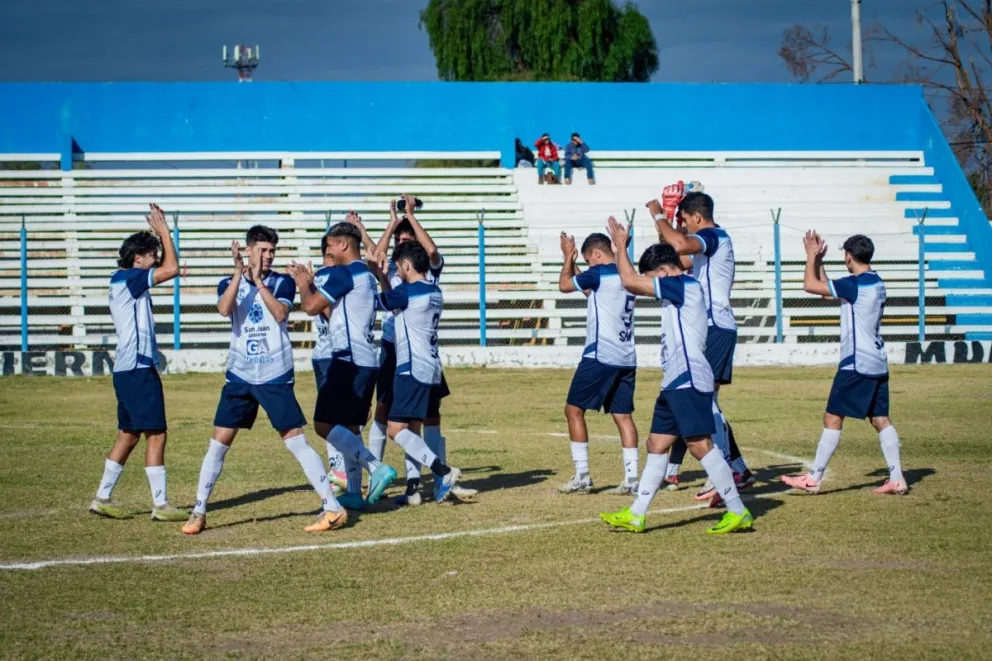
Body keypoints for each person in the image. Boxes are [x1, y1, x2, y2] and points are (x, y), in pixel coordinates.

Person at [182, 226, 345, 535]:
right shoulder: (228, 282)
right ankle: (199, 510)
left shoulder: (281, 281)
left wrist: (257, 281)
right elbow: (223, 309)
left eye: (272, 250)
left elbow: (281, 313)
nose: (268, 256)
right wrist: (238, 274)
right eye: (263, 250)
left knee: (295, 441)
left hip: (273, 374)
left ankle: (332, 507)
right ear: (249, 250)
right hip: (240, 375)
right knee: (218, 444)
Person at [599, 219, 754, 535]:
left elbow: (630, 281)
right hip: (674, 380)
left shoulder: (683, 284)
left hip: (689, 378)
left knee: (699, 445)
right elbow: (635, 281)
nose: (650, 284)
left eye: (652, 276)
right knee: (656, 444)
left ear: (665, 272)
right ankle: (636, 514)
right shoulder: (678, 286)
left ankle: (738, 511)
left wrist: (620, 248)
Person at [650, 184, 755, 504]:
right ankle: (736, 469)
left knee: (704, 402)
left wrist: (658, 214)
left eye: (685, 219)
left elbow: (680, 242)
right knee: (705, 402)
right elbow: (673, 257)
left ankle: (726, 472)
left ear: (698, 217)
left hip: (716, 326)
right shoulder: (704, 247)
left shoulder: (714, 236)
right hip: (708, 327)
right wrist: (665, 221)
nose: (683, 225)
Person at [781, 232, 907, 496]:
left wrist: (811, 256)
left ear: (849, 257)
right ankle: (897, 478)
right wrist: (820, 263)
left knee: (832, 417)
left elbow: (810, 286)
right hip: (877, 361)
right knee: (880, 419)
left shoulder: (855, 284)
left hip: (856, 363)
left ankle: (813, 478)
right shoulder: (875, 282)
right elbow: (828, 290)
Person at [369, 196, 476, 506]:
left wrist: (378, 275)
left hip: (410, 367)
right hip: (429, 365)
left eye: (398, 267)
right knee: (411, 425)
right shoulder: (433, 290)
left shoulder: (406, 290)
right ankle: (415, 488)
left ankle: (442, 471)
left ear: (404, 265)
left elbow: (380, 302)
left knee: (395, 428)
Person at [289, 222, 398, 512]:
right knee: (350, 427)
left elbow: (312, 307)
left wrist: (303, 282)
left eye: (331, 246)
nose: (328, 251)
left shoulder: (345, 273)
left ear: (344, 245)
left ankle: (376, 468)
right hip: (365, 361)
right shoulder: (365, 274)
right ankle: (352, 491)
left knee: (323, 424)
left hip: (347, 361)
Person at [90, 204, 188, 522]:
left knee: (128, 435)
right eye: (152, 255)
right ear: (138, 259)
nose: (156, 260)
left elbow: (168, 268)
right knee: (156, 434)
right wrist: (165, 233)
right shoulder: (131, 278)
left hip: (127, 369)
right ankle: (160, 505)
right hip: (136, 369)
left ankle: (102, 498)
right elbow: (171, 269)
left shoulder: (124, 279)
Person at [556, 231, 640, 495]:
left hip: (600, 355)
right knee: (623, 416)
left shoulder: (599, 272)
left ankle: (582, 477)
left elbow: (565, 285)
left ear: (596, 254)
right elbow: (592, 290)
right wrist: (575, 261)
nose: (589, 265)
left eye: (588, 260)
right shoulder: (627, 275)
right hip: (626, 357)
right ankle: (632, 479)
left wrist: (567, 258)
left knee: (573, 410)